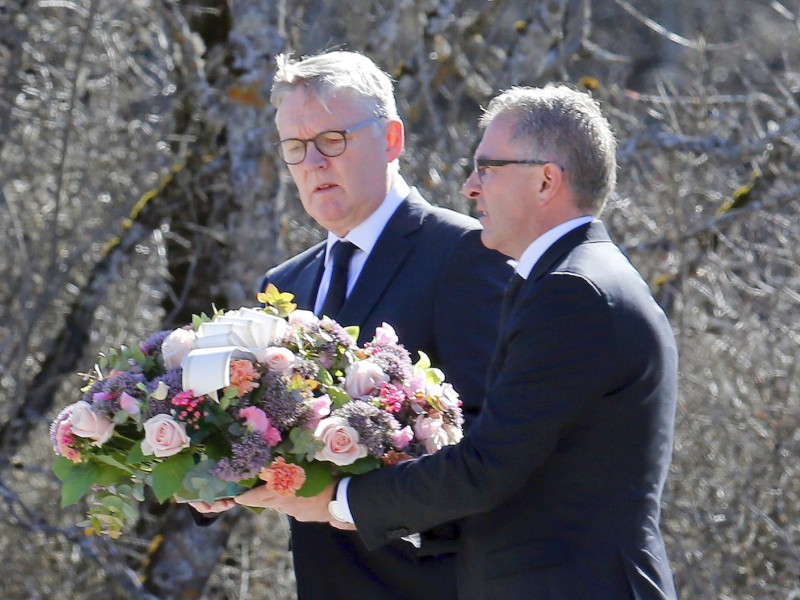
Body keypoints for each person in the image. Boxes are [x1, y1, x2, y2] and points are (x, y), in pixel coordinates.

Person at [243, 85, 679, 600]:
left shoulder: (572, 290)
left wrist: (340, 500)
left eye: (488, 168)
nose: (471, 187)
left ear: (546, 181)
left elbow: (488, 464)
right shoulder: (564, 279)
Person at [193, 50, 512, 600]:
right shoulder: (285, 283)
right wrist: (215, 474)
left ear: (392, 139)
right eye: (295, 148)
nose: (313, 162)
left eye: (331, 140)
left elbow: (492, 445)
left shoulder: (465, 253)